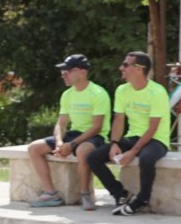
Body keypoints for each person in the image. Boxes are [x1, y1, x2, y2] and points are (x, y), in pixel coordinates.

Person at [87, 51, 170, 215]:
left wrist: (132, 152)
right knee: (93, 157)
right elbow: (118, 120)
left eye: (125, 65)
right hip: (133, 137)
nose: (121, 68)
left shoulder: (158, 92)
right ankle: (120, 193)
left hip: (156, 139)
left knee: (146, 158)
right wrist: (114, 144)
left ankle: (142, 199)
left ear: (139, 69)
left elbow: (153, 128)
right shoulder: (122, 90)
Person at [26, 54, 110, 211]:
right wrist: (59, 142)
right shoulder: (67, 94)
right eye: (62, 72)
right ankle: (50, 193)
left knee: (83, 150)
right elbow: (61, 123)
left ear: (82, 72)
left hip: (94, 136)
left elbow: (97, 127)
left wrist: (71, 145)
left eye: (68, 71)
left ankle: (85, 194)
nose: (63, 75)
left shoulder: (99, 93)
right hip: (74, 134)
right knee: (34, 148)